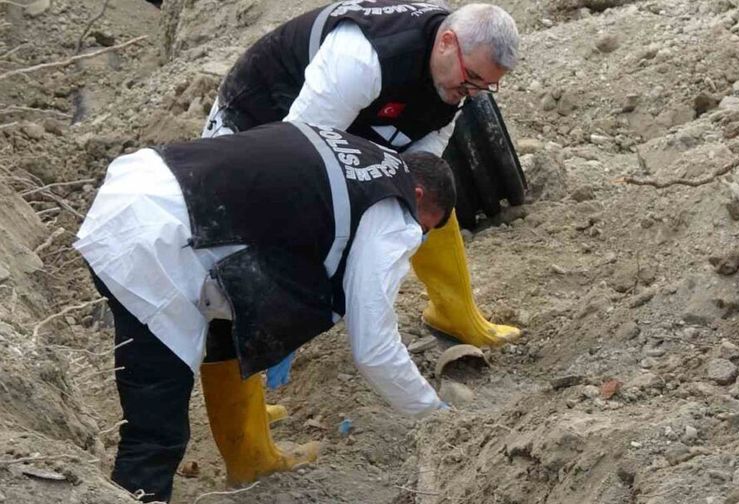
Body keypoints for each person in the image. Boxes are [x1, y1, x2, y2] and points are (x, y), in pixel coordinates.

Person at [74, 121, 456, 502]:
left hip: (142, 186)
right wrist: (435, 415)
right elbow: (374, 347)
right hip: (155, 246)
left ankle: (249, 459)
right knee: (157, 430)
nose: (417, 238)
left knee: (223, 338)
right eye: (424, 227)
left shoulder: (363, 154)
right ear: (418, 194)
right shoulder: (393, 211)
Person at [203, 0, 522, 358]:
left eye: (487, 86)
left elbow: (423, 162)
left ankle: (455, 314)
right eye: (473, 79)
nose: (475, 93)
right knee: (239, 254)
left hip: (354, 111)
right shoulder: (362, 59)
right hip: (261, 114)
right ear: (446, 42)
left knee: (426, 196)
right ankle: (243, 408)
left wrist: (403, 201)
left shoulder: (456, 74)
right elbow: (294, 161)